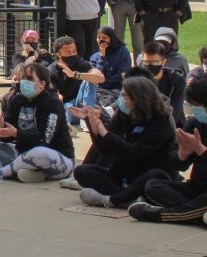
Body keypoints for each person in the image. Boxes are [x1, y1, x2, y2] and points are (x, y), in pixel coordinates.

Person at [69, 76, 176, 209]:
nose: (120, 100)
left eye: (124, 96)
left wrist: (105, 132)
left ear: (138, 99)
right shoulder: (123, 115)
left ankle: (113, 200)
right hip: (122, 176)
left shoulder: (161, 123)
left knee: (155, 176)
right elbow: (104, 150)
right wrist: (92, 124)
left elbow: (133, 152)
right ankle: (128, 198)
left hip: (147, 176)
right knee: (82, 171)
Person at [0, 62, 75, 183]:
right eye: (23, 78)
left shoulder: (52, 103)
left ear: (42, 84)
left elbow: (44, 140)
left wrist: (16, 134)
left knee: (39, 153)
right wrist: (2, 128)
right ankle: (35, 174)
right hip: (24, 152)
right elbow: (9, 138)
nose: (25, 82)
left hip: (57, 158)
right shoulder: (16, 100)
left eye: (30, 79)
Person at [129, 76, 207, 224]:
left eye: (199, 104)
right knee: (153, 185)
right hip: (196, 188)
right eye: (194, 104)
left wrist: (200, 149)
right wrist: (182, 155)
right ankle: (198, 215)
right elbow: (175, 163)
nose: (196, 109)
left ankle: (161, 214)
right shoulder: (194, 123)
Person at [47, 36, 105, 133]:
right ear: (59, 55)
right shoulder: (51, 71)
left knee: (89, 79)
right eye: (68, 52)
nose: (72, 54)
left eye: (74, 51)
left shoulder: (80, 62)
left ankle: (87, 119)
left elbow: (100, 78)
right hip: (69, 107)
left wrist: (75, 75)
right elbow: (54, 95)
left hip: (84, 103)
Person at [138, 41, 187, 128]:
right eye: (146, 62)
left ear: (163, 62)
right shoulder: (138, 79)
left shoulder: (177, 81)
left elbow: (174, 112)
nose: (149, 65)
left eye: (154, 62)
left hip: (170, 125)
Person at [88, 26, 131, 108]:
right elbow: (97, 76)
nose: (101, 40)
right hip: (100, 90)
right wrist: (102, 57)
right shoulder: (95, 57)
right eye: (99, 38)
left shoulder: (122, 51)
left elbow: (123, 74)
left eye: (104, 38)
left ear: (111, 38)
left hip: (117, 87)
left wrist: (105, 82)